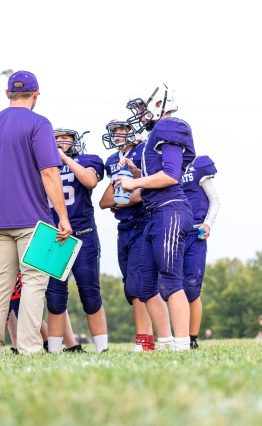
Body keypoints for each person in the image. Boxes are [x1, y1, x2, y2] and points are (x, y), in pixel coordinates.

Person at [0, 70, 71, 355]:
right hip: (33, 221)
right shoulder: (39, 124)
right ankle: (28, 348)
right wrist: (63, 217)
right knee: (34, 282)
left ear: (7, 94)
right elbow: (50, 172)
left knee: (0, 285)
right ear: (36, 94)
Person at [116, 84, 196, 350]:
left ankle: (183, 344)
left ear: (158, 104)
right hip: (155, 212)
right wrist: (138, 173)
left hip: (170, 209)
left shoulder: (168, 127)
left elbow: (172, 175)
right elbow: (161, 174)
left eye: (141, 109)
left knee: (170, 278)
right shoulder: (155, 136)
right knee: (144, 283)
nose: (139, 115)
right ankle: (165, 343)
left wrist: (133, 185)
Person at [45, 128, 107, 353]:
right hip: (54, 238)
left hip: (83, 234)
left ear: (75, 142)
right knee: (54, 296)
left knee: (90, 293)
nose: (61, 142)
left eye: (66, 139)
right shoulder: (41, 164)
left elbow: (90, 181)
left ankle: (102, 348)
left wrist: (63, 158)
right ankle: (53, 350)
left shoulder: (87, 160)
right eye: (56, 140)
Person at [99, 120, 154, 351]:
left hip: (143, 223)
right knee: (130, 287)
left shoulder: (145, 151)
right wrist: (122, 201)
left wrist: (123, 201)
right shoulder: (112, 160)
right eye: (114, 131)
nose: (117, 134)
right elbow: (105, 202)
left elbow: (141, 194)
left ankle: (145, 340)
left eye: (122, 130)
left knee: (140, 282)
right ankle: (146, 339)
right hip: (124, 228)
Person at [181, 155, 220, 349]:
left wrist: (208, 223)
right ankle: (175, 337)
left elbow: (214, 200)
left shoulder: (197, 165)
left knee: (191, 288)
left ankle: (192, 339)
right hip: (172, 233)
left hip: (195, 233)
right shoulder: (160, 163)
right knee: (168, 287)